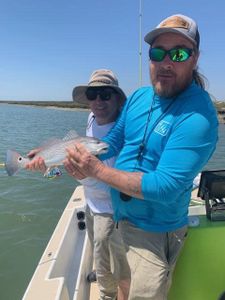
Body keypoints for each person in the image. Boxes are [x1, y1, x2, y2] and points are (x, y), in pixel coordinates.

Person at [63, 14, 219, 300]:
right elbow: (114, 141)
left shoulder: (199, 116)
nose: (166, 62)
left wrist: (96, 171)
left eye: (179, 53)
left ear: (195, 59)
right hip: (120, 217)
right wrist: (81, 158)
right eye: (158, 52)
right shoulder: (138, 98)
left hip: (155, 233)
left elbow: (165, 186)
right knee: (123, 283)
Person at [26, 69, 130, 300]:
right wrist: (44, 157)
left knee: (109, 258)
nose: (98, 102)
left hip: (110, 209)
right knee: (97, 250)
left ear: (117, 98)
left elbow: (114, 180)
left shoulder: (123, 132)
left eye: (106, 94)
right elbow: (70, 147)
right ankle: (104, 276)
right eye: (93, 94)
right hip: (90, 200)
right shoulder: (91, 118)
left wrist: (79, 173)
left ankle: (107, 294)